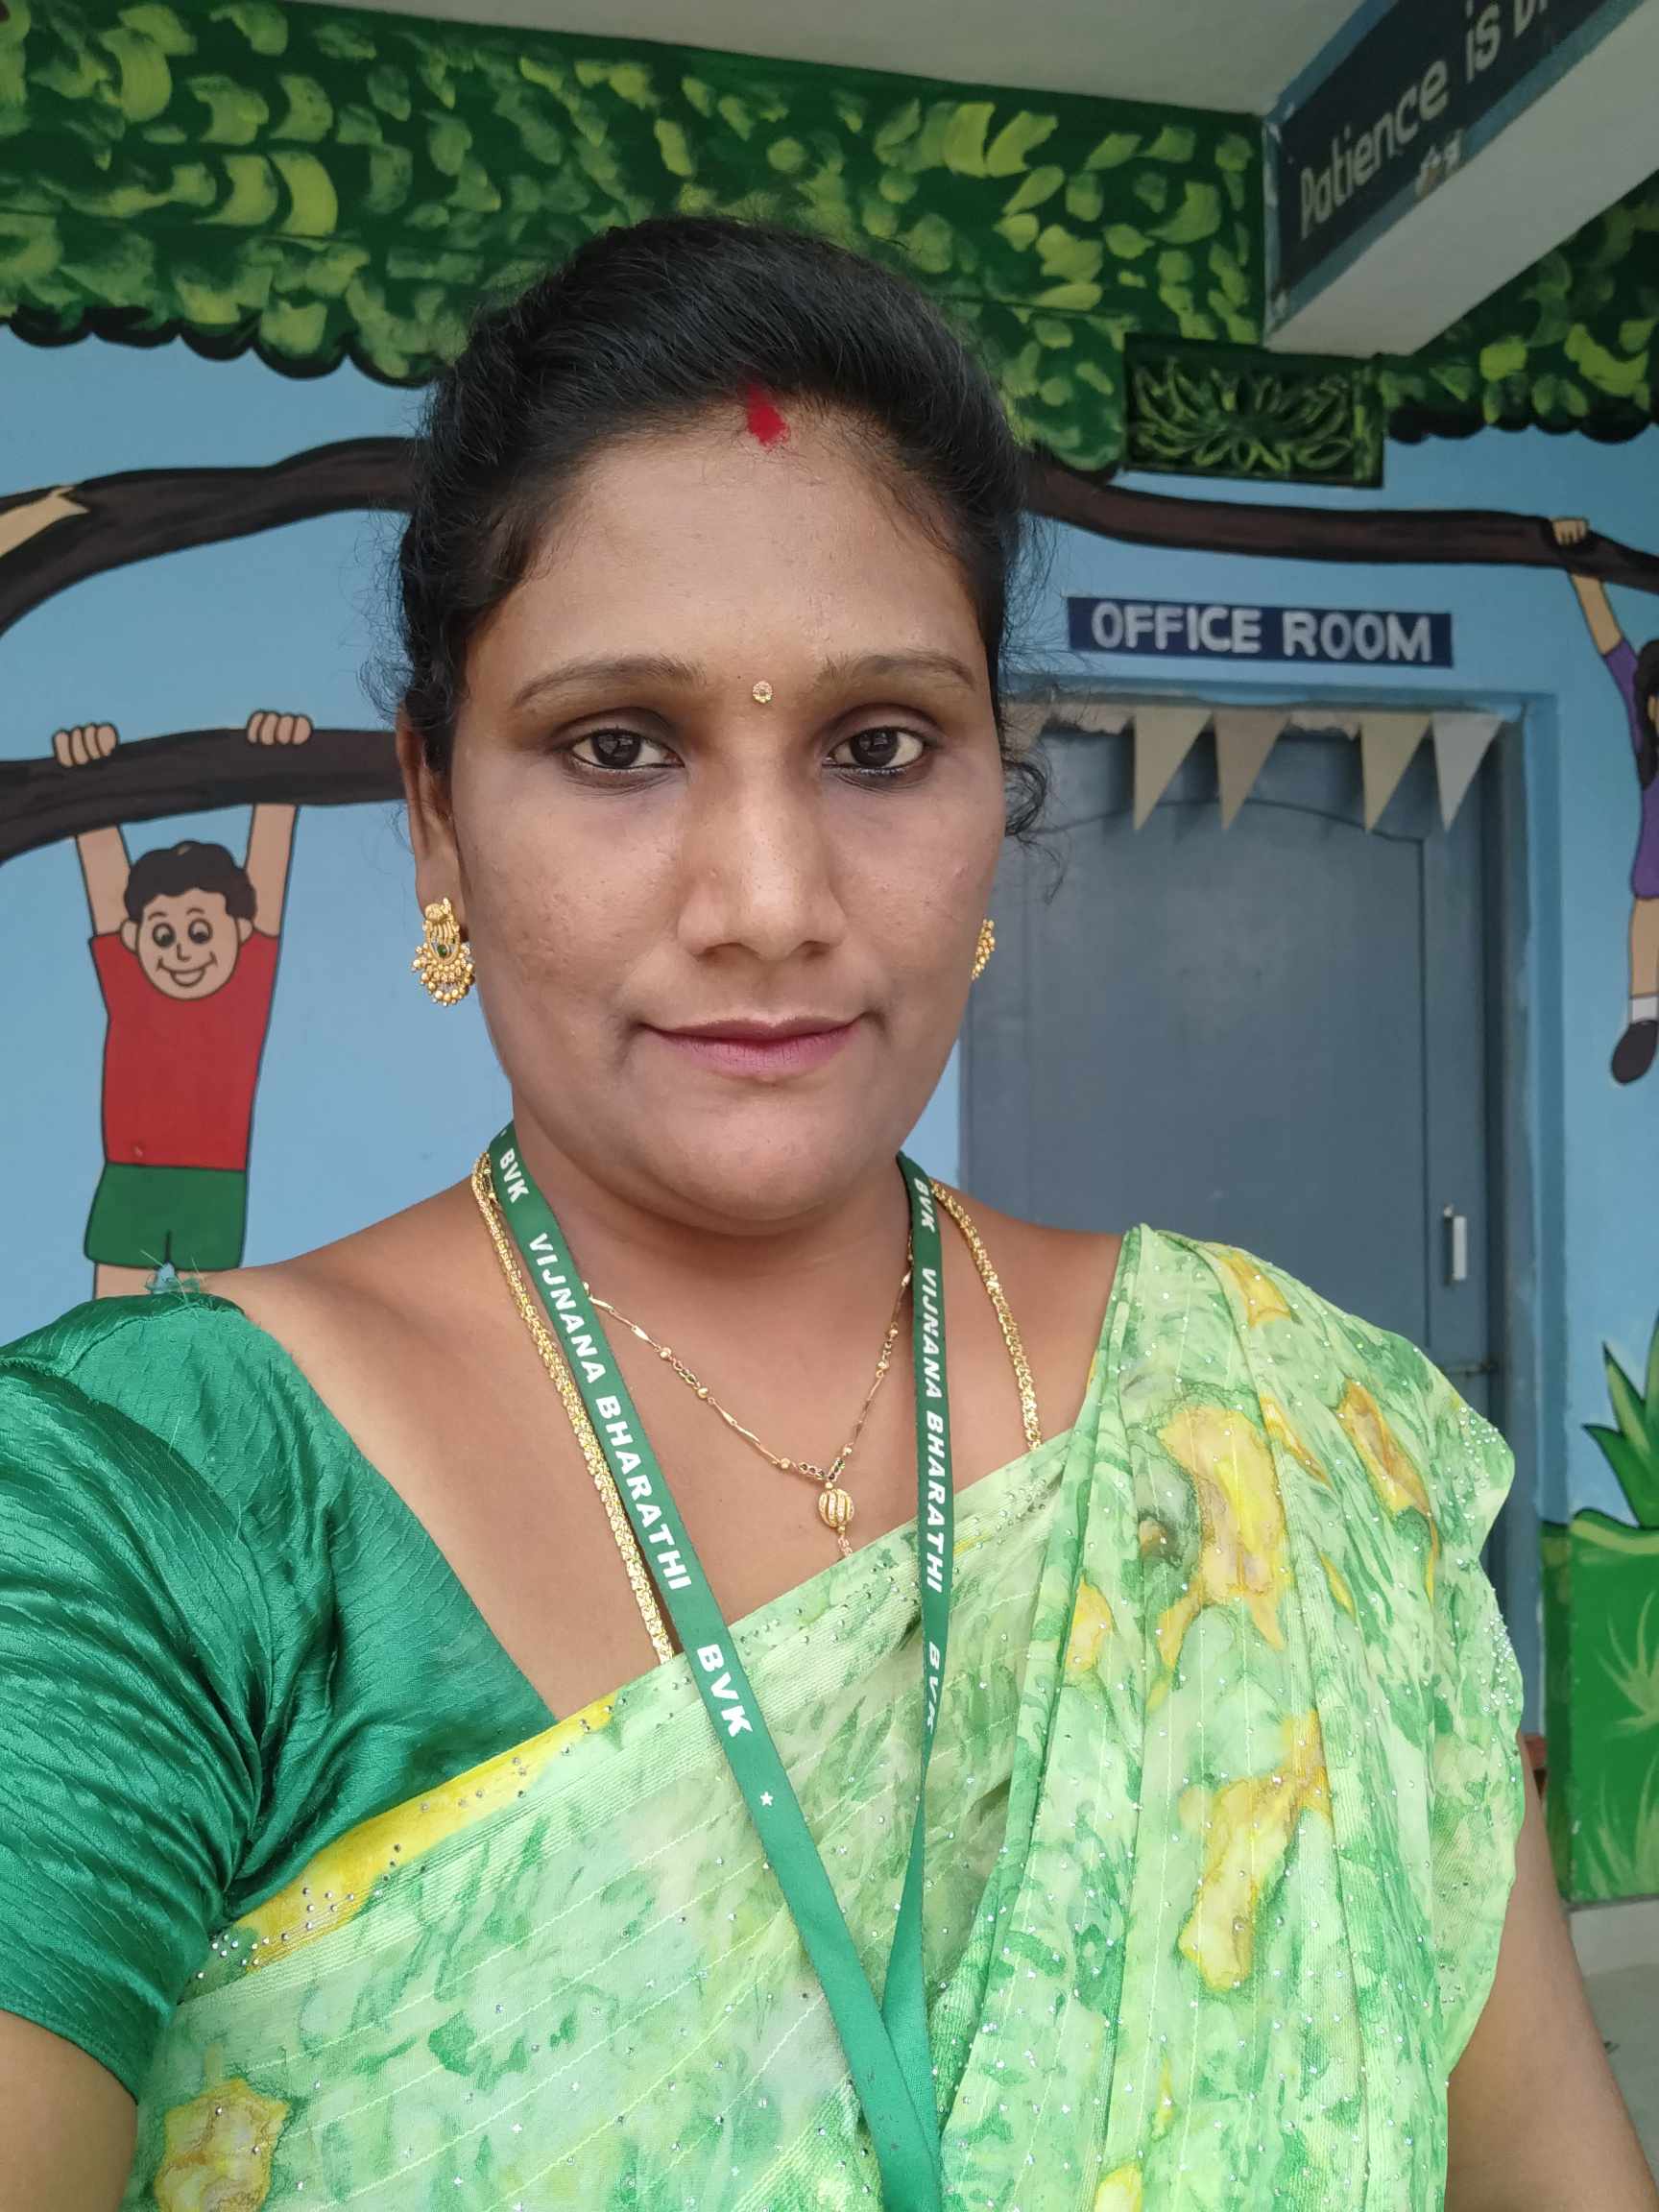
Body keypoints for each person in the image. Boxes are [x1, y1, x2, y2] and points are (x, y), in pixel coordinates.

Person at [1, 221, 1652, 2212]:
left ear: (993, 794)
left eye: (878, 748)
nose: (770, 899)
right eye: (618, 746)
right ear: (435, 812)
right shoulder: (137, 1506)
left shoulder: (1292, 1437)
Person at [53, 709, 313, 1293]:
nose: (181, 952)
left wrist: (280, 766)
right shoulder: (131, 978)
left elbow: (270, 853)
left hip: (213, 1186)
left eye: (199, 931)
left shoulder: (246, 977)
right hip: (132, 1178)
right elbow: (100, 857)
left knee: (204, 1327)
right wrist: (89, 775)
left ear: (239, 929)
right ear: (134, 937)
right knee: (110, 1324)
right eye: (164, 935)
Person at [1552, 514, 1659, 1083]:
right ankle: (1645, 1015)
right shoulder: (1646, 736)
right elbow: (1611, 644)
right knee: (1649, 907)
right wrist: (1578, 559)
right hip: (1655, 863)